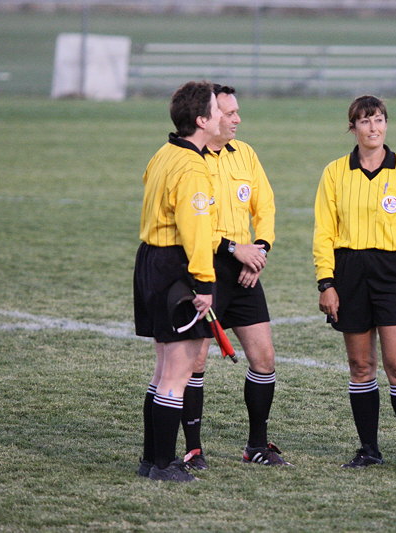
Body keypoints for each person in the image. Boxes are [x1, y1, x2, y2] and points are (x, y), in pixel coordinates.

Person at [313, 95, 396, 470]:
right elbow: (324, 233)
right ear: (352, 128)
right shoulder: (335, 172)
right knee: (360, 366)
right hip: (348, 273)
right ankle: (368, 449)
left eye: (379, 120)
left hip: (392, 274)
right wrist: (326, 282)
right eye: (365, 121)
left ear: (386, 124)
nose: (373, 128)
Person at [181, 83, 290, 468]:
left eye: (237, 112)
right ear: (207, 117)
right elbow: (191, 223)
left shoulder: (245, 154)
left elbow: (266, 207)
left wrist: (259, 250)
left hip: (246, 271)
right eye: (228, 113)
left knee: (264, 358)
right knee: (194, 363)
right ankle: (193, 449)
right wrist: (232, 248)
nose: (237, 119)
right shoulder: (191, 159)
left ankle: (256, 446)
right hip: (203, 269)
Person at [134, 81, 223, 482]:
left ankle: (151, 459)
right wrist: (204, 284)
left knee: (162, 369)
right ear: (202, 120)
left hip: (150, 261)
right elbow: (196, 231)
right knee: (178, 371)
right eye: (218, 111)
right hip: (175, 266)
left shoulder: (164, 153)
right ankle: (166, 465)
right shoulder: (191, 167)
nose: (224, 116)